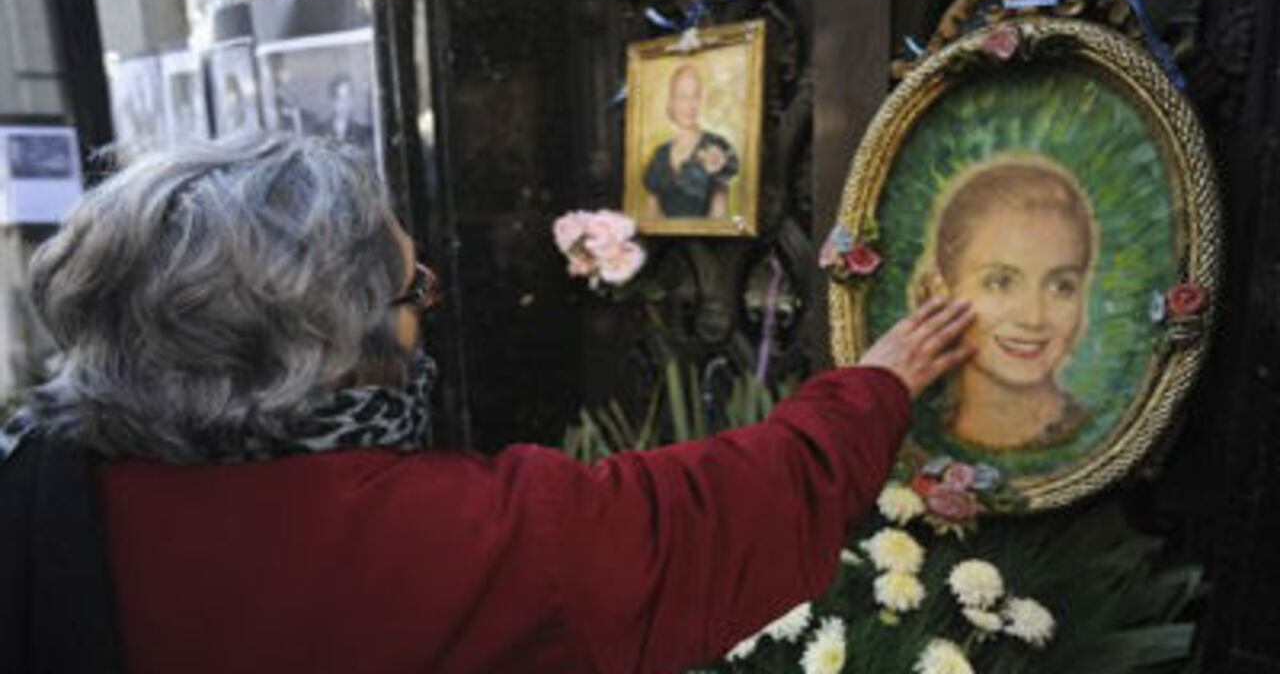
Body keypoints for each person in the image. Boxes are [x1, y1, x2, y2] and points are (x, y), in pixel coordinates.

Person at [0, 136, 973, 674]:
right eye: (413, 294)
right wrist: (875, 386)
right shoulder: (455, 543)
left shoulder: (34, 485)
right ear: (327, 346)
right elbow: (714, 514)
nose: (425, 313)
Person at [910, 152, 1098, 451]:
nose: (1033, 317)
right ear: (941, 292)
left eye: (1061, 286)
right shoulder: (916, 440)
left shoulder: (1100, 437)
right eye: (1000, 282)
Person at [642, 64, 739, 219]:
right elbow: (651, 216)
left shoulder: (717, 145)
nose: (690, 106)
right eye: (683, 97)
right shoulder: (659, 156)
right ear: (672, 102)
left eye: (695, 96)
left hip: (709, 241)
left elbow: (719, 216)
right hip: (663, 242)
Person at [324, 74, 374, 149]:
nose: (344, 104)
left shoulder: (362, 133)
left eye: (347, 98)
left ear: (352, 101)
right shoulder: (320, 131)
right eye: (339, 99)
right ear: (332, 102)